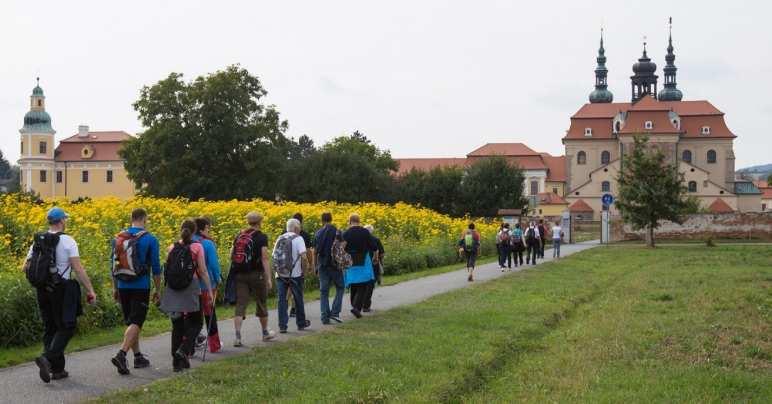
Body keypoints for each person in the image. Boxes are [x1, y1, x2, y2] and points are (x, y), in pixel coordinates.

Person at [26, 207, 96, 383]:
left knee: (50, 327)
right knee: (66, 327)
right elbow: (78, 268)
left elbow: (26, 267)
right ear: (61, 221)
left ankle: (57, 370)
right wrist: (90, 290)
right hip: (61, 290)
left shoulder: (37, 241)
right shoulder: (68, 241)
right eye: (65, 219)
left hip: (42, 290)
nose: (66, 221)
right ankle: (47, 358)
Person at [110, 208, 161, 375]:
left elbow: (113, 266)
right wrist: (158, 289)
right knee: (137, 322)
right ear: (144, 219)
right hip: (140, 285)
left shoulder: (118, 238)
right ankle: (121, 354)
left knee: (131, 323)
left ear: (131, 219)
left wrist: (115, 288)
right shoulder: (150, 239)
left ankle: (138, 357)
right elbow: (156, 267)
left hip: (123, 284)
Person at [159, 219, 213, 372]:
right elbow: (202, 271)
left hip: (173, 289)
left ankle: (177, 363)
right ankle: (184, 350)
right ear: (195, 231)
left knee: (177, 326)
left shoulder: (171, 247)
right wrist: (209, 290)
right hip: (191, 288)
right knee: (196, 322)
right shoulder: (197, 247)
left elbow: (167, 269)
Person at [230, 212, 275, 346]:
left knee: (241, 304)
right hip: (257, 274)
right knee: (261, 302)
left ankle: (237, 337)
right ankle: (265, 333)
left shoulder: (239, 236)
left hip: (240, 275)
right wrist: (268, 278)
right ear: (260, 222)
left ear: (248, 222)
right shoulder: (261, 237)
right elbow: (265, 258)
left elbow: (232, 255)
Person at [273, 218, 311, 332]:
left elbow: (274, 256)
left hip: (280, 274)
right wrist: (304, 271)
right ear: (295, 228)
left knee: (282, 300)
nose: (300, 229)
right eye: (299, 227)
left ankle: (282, 326)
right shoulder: (299, 239)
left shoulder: (280, 238)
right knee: (298, 298)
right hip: (295, 274)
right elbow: (304, 257)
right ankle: (301, 323)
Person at [193, 217, 222, 353]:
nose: (209, 231)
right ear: (203, 228)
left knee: (192, 317)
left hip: (190, 287)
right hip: (206, 285)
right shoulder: (207, 244)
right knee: (210, 316)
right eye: (208, 228)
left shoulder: (185, 242)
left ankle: (189, 346)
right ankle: (214, 345)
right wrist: (217, 279)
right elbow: (214, 266)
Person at [343, 214, 378, 317]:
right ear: (359, 221)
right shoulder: (365, 232)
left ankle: (354, 305)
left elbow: (342, 248)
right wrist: (375, 257)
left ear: (350, 221)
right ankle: (356, 307)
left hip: (351, 259)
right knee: (363, 284)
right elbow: (374, 246)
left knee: (353, 283)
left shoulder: (346, 233)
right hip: (363, 258)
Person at [314, 212, 344, 324]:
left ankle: (324, 318)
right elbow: (342, 246)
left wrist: (314, 266)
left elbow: (315, 252)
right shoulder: (337, 231)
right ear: (331, 219)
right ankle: (335, 313)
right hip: (335, 265)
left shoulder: (318, 233)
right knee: (340, 287)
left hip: (322, 265)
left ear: (322, 221)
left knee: (324, 291)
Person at [288, 213, 313, 318]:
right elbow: (307, 252)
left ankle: (285, 306)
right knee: (297, 289)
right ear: (300, 223)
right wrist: (310, 265)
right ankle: (294, 309)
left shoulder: (284, 233)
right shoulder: (304, 235)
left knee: (288, 288)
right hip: (297, 267)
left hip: (284, 267)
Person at [363, 225, 385, 312]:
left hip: (362, 265)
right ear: (371, 231)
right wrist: (380, 260)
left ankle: (360, 304)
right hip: (373, 264)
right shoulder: (376, 240)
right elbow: (382, 253)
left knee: (363, 285)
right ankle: (366, 306)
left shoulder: (361, 241)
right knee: (370, 285)